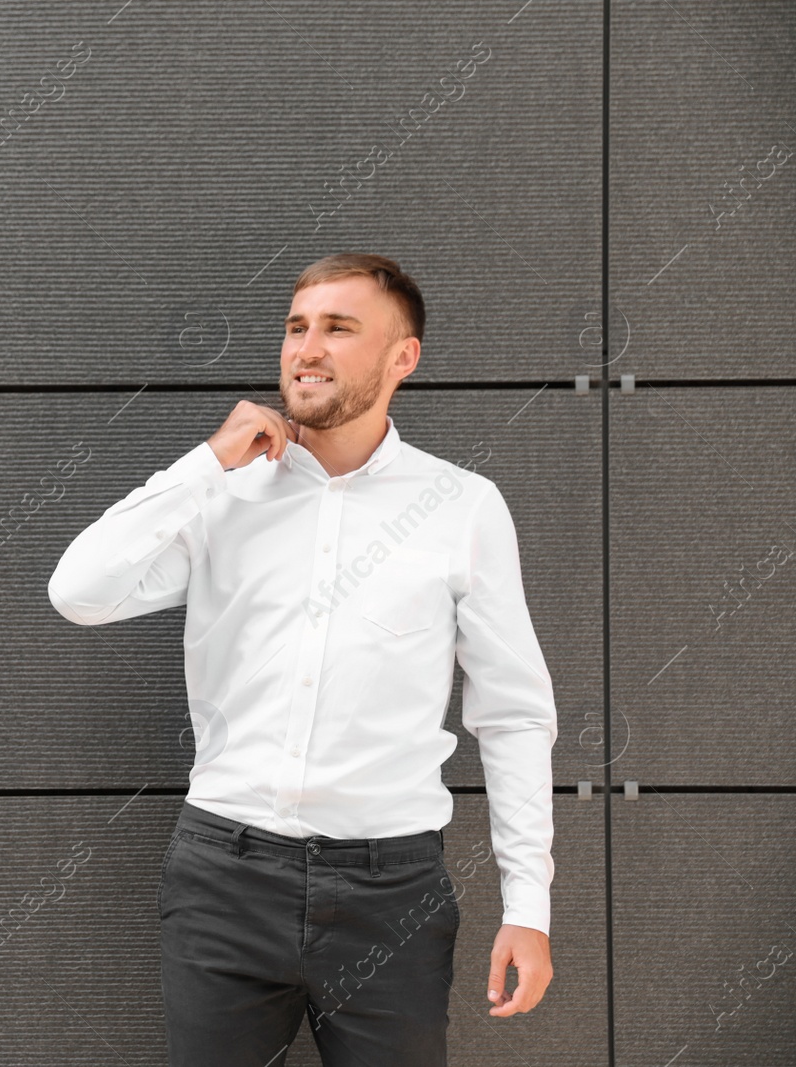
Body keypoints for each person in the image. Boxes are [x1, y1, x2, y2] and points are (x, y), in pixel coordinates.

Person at [48, 253, 556, 1066]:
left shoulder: (462, 506)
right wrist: (205, 462)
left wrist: (529, 905)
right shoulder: (224, 493)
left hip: (392, 895)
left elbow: (514, 712)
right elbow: (78, 591)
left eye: (338, 328)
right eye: (296, 327)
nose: (305, 348)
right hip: (224, 879)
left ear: (403, 358)